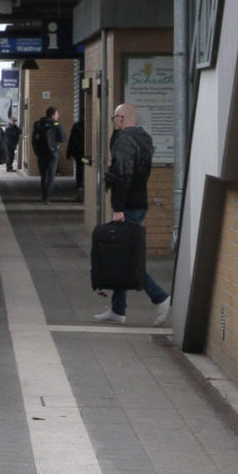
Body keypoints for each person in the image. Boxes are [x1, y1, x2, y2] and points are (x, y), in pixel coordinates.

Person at [96, 101, 172, 325]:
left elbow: (124, 174)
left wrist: (118, 208)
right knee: (123, 255)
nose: (114, 123)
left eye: (114, 118)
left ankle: (161, 298)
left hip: (127, 206)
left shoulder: (123, 140)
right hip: (139, 202)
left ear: (121, 118)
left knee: (128, 259)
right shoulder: (145, 138)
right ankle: (118, 310)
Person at [32, 106, 64, 202]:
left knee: (43, 175)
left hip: (41, 153)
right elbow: (62, 138)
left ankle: (43, 195)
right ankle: (46, 197)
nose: (58, 116)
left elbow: (34, 139)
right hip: (52, 153)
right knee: (51, 175)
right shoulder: (57, 124)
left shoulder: (38, 124)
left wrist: (37, 151)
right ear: (53, 115)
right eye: (57, 114)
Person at [69, 115, 88, 192]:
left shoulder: (77, 125)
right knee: (86, 165)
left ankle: (80, 184)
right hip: (83, 153)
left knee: (80, 167)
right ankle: (82, 183)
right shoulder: (89, 127)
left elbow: (72, 140)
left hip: (78, 153)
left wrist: (69, 152)